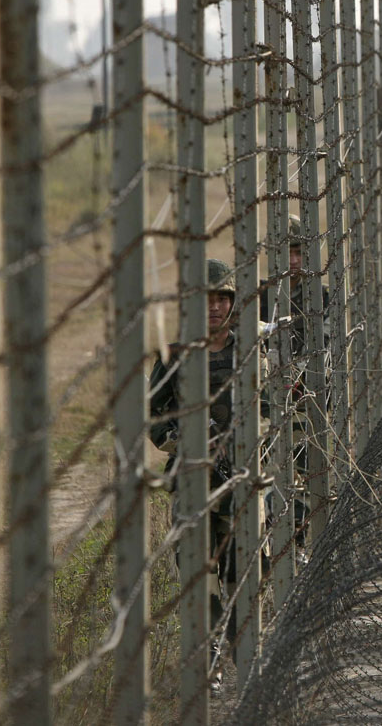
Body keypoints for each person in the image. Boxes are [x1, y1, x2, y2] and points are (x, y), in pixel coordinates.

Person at [148, 258, 261, 687]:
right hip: (193, 482)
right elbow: (153, 415)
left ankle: (243, 646)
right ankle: (206, 655)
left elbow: (268, 404)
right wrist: (182, 439)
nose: (214, 308)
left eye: (221, 299)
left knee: (241, 569)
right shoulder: (177, 356)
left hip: (242, 477)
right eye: (205, 300)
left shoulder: (250, 349)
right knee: (196, 572)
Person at [259, 214, 331, 556]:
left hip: (308, 409)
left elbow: (327, 350)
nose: (292, 260)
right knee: (266, 483)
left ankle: (299, 551)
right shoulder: (257, 300)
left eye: (299, 251)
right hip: (262, 409)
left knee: (302, 480)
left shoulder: (323, 299)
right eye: (285, 251)